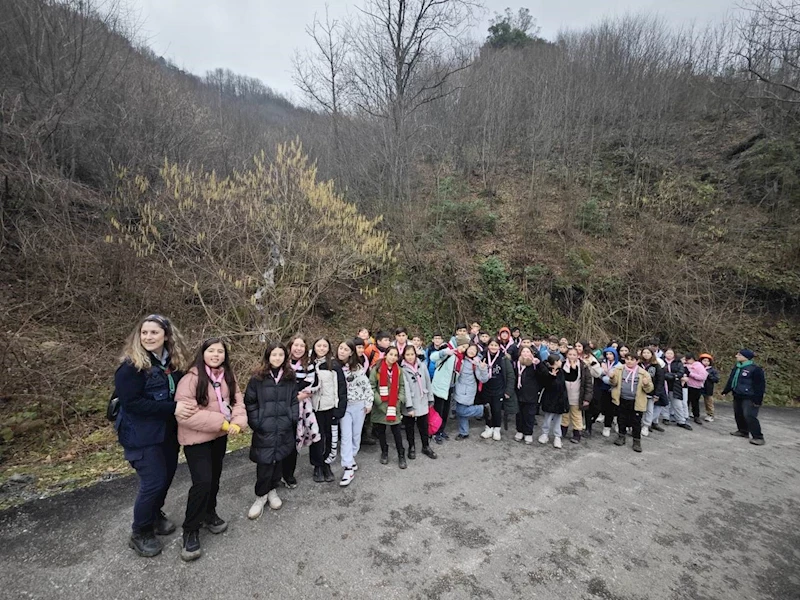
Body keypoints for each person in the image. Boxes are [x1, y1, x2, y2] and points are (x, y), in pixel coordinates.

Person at [114, 314, 191, 558]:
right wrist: (172, 408)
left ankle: (155, 515)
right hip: (141, 436)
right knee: (154, 481)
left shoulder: (172, 363)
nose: (148, 337)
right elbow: (132, 403)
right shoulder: (131, 367)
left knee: (166, 477)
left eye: (154, 332)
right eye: (144, 332)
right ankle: (140, 532)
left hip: (167, 433)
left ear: (166, 336)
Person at [175, 337, 247, 561]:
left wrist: (237, 422)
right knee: (202, 482)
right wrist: (222, 423)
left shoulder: (228, 376)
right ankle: (190, 529)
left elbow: (237, 402)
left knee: (214, 478)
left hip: (219, 437)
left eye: (220, 352)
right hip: (197, 440)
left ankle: (209, 513)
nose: (216, 355)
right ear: (203, 353)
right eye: (212, 351)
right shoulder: (190, 379)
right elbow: (187, 415)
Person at [245, 342, 301, 520]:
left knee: (279, 459)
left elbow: (294, 400)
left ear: (285, 357)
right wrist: (256, 422)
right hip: (265, 428)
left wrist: (292, 417)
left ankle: (272, 491)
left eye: (281, 355)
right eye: (274, 355)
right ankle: (261, 496)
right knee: (264, 463)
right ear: (268, 356)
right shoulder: (257, 378)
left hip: (284, 427)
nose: (277, 358)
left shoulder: (289, 377)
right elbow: (250, 402)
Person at [309, 338, 348, 482]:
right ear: (314, 347)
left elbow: (342, 388)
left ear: (329, 348)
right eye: (318, 345)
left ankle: (326, 463)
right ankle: (317, 465)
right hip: (313, 408)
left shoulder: (334, 365)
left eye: (325, 346)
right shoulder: (309, 364)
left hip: (330, 407)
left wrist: (339, 410)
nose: (321, 348)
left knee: (329, 437)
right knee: (316, 437)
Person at [284, 335, 319, 488]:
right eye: (295, 345)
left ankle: (288, 474)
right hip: (280, 405)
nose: (298, 348)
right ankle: (276, 473)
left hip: (299, 406)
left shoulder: (308, 364)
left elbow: (311, 382)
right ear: (290, 346)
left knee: (294, 439)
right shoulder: (282, 361)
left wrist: (296, 395)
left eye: (302, 346)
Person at [337, 340, 373, 486]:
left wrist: (368, 402)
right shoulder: (334, 366)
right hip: (344, 406)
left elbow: (366, 386)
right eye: (340, 348)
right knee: (346, 435)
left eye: (346, 349)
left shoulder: (357, 367)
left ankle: (351, 458)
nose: (342, 351)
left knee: (356, 435)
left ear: (351, 352)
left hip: (359, 405)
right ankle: (348, 467)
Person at [370, 347, 408, 467]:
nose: (393, 357)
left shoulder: (399, 370)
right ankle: (384, 452)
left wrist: (400, 400)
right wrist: (379, 401)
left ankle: (401, 454)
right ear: (385, 355)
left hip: (394, 405)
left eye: (395, 355)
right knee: (381, 431)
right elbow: (371, 386)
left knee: (396, 431)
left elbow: (402, 386)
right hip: (380, 404)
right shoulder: (377, 369)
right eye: (390, 354)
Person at [608, 352, 654, 452]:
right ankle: (621, 437)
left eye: (632, 359)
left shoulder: (643, 373)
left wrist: (646, 384)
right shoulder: (619, 370)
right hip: (621, 399)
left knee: (636, 422)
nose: (629, 361)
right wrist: (612, 377)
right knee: (621, 419)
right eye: (627, 359)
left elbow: (649, 389)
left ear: (637, 361)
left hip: (636, 401)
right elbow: (614, 383)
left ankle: (636, 441)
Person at [429, 334, 471, 443]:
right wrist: (444, 352)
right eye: (462, 347)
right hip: (440, 386)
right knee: (438, 410)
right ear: (458, 344)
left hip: (450, 387)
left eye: (466, 348)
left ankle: (441, 430)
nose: (463, 350)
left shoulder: (460, 357)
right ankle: (435, 432)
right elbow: (432, 357)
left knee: (445, 411)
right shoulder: (448, 351)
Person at [400, 345, 437, 460]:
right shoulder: (402, 369)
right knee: (409, 427)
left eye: (412, 354)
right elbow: (404, 388)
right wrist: (409, 406)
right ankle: (411, 447)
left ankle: (425, 446)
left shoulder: (422, 366)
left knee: (423, 426)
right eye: (407, 355)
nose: (410, 357)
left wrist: (430, 397)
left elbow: (427, 381)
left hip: (422, 399)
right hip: (410, 401)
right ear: (404, 356)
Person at [722, 349, 766, 445]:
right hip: (737, 394)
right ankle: (743, 431)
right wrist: (726, 390)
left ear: (745, 357)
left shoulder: (755, 369)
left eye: (739, 354)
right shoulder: (737, 367)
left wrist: (758, 400)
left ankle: (758, 437)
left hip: (750, 396)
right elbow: (731, 379)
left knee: (749, 416)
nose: (736, 356)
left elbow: (760, 386)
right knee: (738, 413)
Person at [477, 337, 515, 441]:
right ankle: (488, 427)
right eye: (491, 345)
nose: (493, 347)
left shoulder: (503, 358)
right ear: (488, 346)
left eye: (496, 345)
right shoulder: (483, 357)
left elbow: (510, 374)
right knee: (487, 409)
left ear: (499, 347)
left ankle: (497, 428)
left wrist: (508, 391)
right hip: (486, 388)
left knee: (497, 410)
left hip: (499, 389)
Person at [452, 344, 490, 439]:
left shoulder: (476, 362)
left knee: (461, 411)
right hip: (459, 387)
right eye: (470, 349)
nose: (472, 351)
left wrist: (483, 368)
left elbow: (483, 379)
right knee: (461, 410)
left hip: (468, 390)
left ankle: (482, 409)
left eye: (474, 350)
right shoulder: (460, 358)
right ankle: (464, 432)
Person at [561, 347, 593, 444]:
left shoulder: (583, 367)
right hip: (565, 395)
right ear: (567, 355)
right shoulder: (562, 365)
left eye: (574, 355)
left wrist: (587, 398)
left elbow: (588, 383)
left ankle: (576, 433)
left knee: (576, 415)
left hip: (577, 395)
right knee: (564, 415)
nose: (572, 356)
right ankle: (562, 431)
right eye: (570, 354)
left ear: (578, 355)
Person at [537, 355, 569, 449]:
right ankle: (544, 434)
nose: (561, 362)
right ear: (555, 362)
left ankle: (557, 436)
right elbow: (546, 384)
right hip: (549, 398)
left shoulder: (562, 371)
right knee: (547, 418)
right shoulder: (547, 371)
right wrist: (551, 376)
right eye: (559, 361)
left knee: (558, 419)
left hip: (560, 399)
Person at [513, 347, 542, 444]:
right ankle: (519, 431)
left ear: (532, 353)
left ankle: (528, 433)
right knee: (519, 414)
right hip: (518, 393)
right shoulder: (516, 364)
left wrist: (539, 365)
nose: (525, 353)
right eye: (523, 351)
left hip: (531, 394)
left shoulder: (535, 364)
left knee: (529, 414)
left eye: (528, 351)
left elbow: (543, 375)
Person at [640, 348, 667, 437]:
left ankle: (646, 425)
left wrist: (657, 394)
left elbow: (660, 381)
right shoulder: (639, 364)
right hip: (639, 391)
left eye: (648, 353)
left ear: (652, 354)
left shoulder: (656, 366)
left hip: (651, 391)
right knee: (638, 409)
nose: (646, 354)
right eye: (644, 352)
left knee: (649, 410)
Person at [664, 349, 692, 430]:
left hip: (675, 385)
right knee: (665, 403)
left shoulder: (678, 363)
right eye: (667, 353)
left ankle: (681, 421)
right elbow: (661, 373)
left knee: (678, 404)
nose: (669, 355)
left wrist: (673, 376)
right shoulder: (661, 362)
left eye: (671, 353)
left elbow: (681, 373)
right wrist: (671, 376)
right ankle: (666, 417)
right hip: (664, 384)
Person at [599, 347, 620, 437]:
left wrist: (605, 376)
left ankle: (610, 426)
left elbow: (615, 380)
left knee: (612, 409)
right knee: (604, 407)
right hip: (603, 389)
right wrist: (604, 374)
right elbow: (598, 374)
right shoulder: (603, 363)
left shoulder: (618, 365)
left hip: (613, 390)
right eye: (607, 354)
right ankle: (606, 426)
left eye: (611, 354)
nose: (608, 356)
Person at [683, 353, 708, 425]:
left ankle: (696, 416)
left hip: (696, 387)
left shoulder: (699, 366)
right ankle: (685, 415)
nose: (687, 361)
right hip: (687, 386)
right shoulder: (686, 365)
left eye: (688, 360)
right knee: (685, 401)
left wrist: (690, 374)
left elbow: (702, 377)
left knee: (695, 402)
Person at [699, 353, 720, 422]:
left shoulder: (712, 370)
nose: (706, 362)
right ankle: (694, 412)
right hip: (698, 387)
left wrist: (708, 375)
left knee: (708, 402)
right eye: (704, 360)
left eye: (708, 361)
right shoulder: (698, 368)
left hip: (708, 388)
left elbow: (716, 379)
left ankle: (710, 415)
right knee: (694, 400)